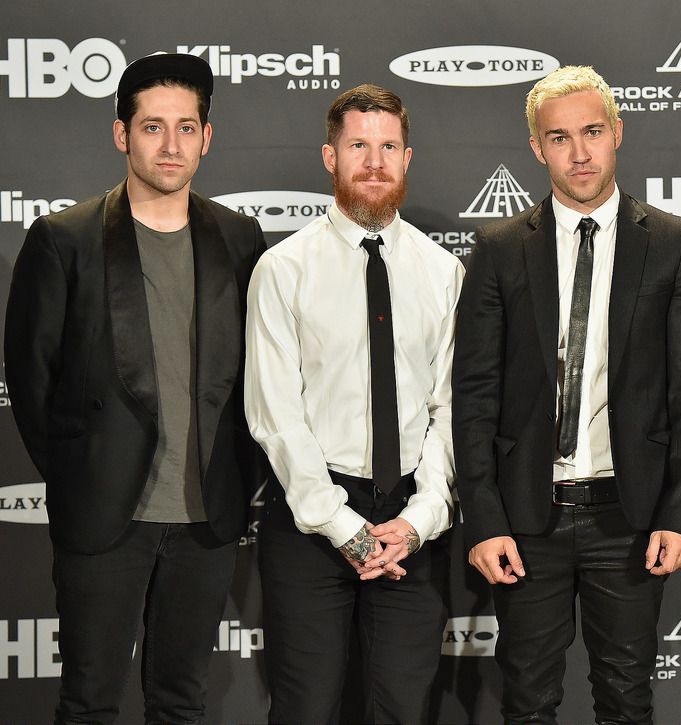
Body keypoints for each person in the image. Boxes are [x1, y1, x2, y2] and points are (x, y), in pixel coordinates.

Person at [452, 65, 681, 724]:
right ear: (538, 147)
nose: (580, 152)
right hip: (525, 517)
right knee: (527, 701)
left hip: (628, 516)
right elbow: (475, 394)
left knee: (626, 700)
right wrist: (484, 519)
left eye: (592, 131)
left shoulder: (674, 243)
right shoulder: (500, 247)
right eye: (560, 137)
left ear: (617, 133)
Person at [4, 52, 266, 724]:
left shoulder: (241, 239)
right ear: (121, 133)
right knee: (89, 702)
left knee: (181, 701)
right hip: (104, 518)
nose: (170, 145)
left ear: (207, 138)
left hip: (206, 517)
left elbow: (259, 375)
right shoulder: (64, 240)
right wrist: (84, 472)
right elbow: (32, 383)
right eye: (152, 127)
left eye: (186, 127)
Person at [244, 83, 462, 724]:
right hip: (311, 521)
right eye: (358, 146)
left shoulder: (443, 271)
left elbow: (451, 408)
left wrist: (421, 518)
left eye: (388, 146)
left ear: (407, 157)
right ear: (329, 157)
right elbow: (275, 413)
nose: (374, 161)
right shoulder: (284, 269)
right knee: (306, 707)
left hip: (409, 528)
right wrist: (342, 527)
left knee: (401, 707)